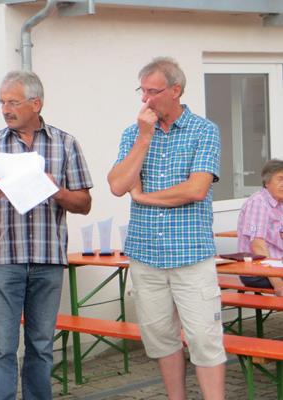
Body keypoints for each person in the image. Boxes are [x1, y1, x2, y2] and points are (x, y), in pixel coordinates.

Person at [0, 70, 93, 400]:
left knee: (41, 346)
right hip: (4, 261)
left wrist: (57, 191)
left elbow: (84, 204)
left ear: (36, 104)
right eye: (2, 102)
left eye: (13, 102)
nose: (5, 110)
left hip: (49, 260)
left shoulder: (66, 143)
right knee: (1, 347)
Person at [108, 57, 226, 400]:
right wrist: (144, 140)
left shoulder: (204, 130)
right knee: (161, 339)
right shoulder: (133, 133)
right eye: (142, 91)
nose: (146, 100)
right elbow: (117, 185)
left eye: (154, 91)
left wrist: (144, 197)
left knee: (204, 339)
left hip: (191, 256)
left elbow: (196, 189)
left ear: (176, 90)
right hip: (146, 255)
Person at [237, 159, 283, 294]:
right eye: (280, 179)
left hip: (277, 265)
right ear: (267, 182)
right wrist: (278, 284)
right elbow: (258, 245)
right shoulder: (259, 202)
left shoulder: (279, 203)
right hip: (258, 271)